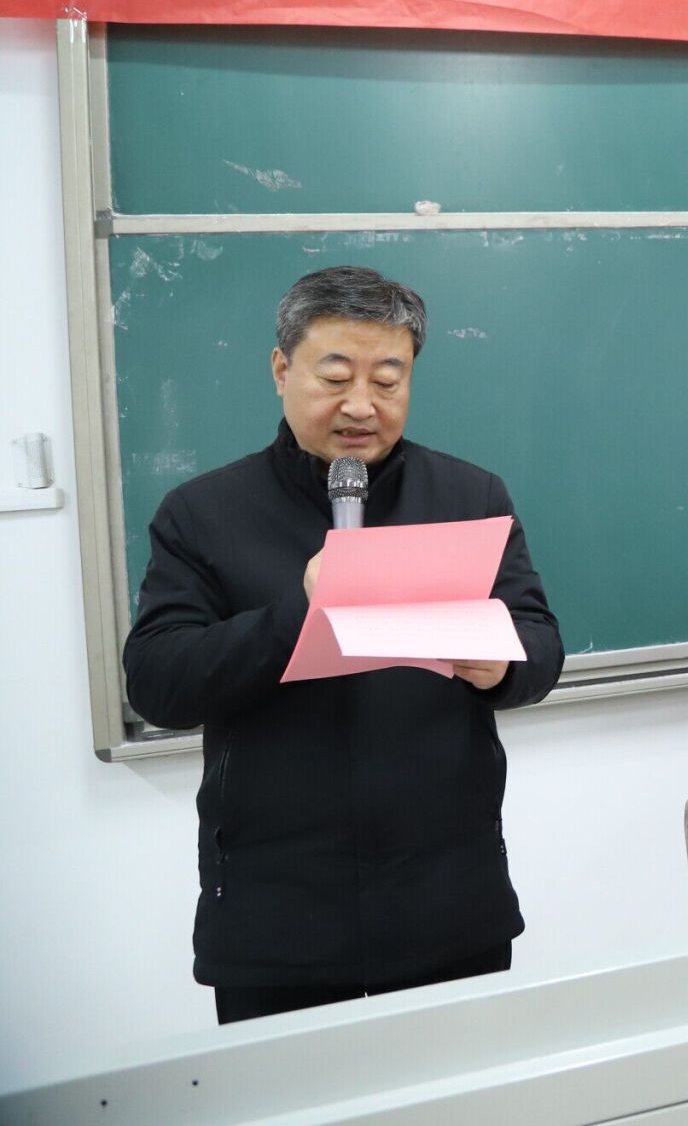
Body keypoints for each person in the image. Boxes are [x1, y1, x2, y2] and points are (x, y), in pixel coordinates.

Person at [124, 266, 562, 1024]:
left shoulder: (469, 497)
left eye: (388, 380)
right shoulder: (202, 513)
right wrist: (301, 610)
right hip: (277, 919)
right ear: (280, 369)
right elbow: (159, 683)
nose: (361, 404)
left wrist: (502, 665)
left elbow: (541, 647)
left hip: (449, 903)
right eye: (335, 377)